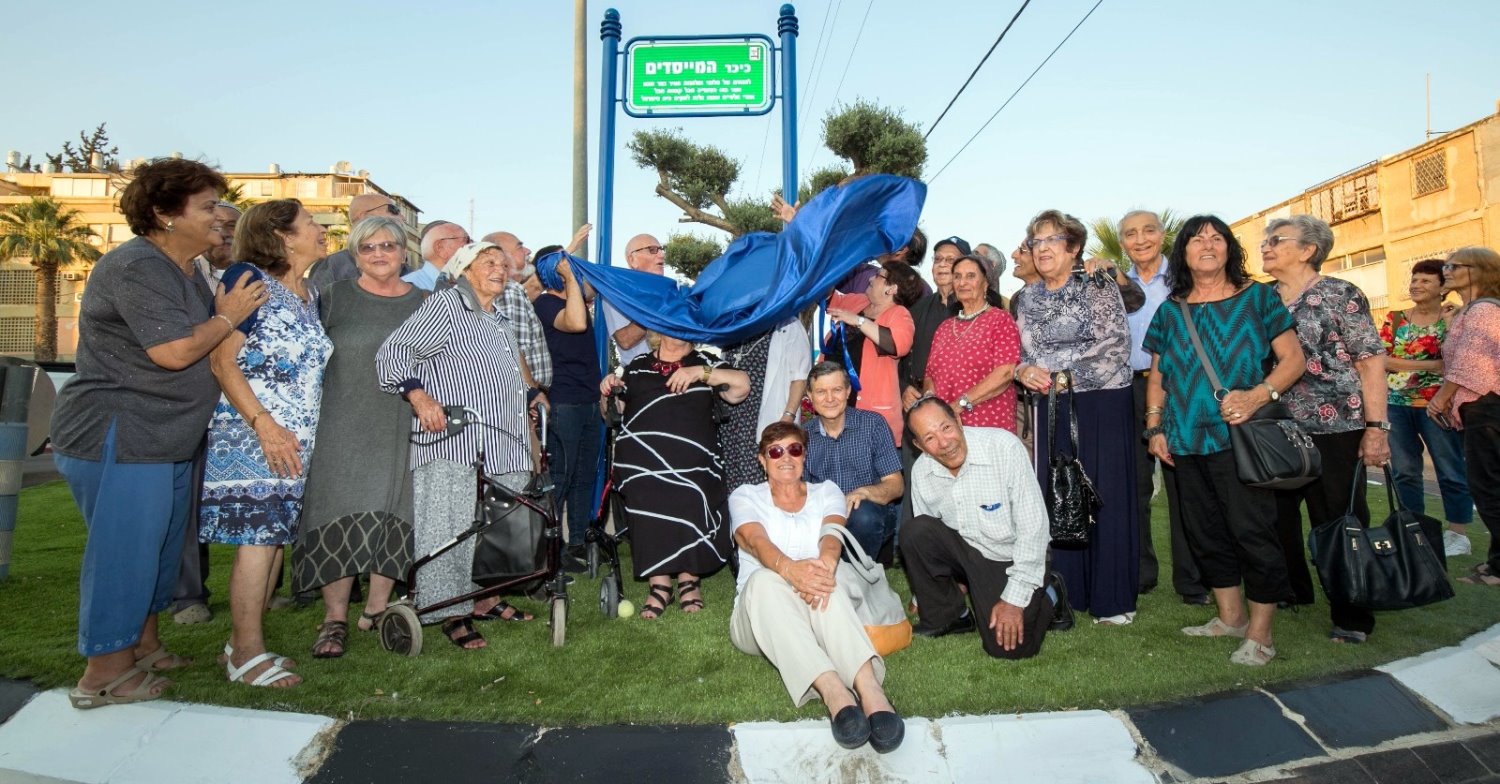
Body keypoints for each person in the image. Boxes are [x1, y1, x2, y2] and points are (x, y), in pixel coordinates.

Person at [52, 158, 263, 708]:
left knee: (159, 552)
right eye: (209, 207)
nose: (221, 217)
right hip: (122, 436)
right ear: (165, 213)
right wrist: (228, 316)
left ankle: (143, 648)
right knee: (125, 553)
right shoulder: (136, 266)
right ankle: (104, 674)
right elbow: (173, 352)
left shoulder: (186, 269)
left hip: (166, 438)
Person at [1144, 214, 1305, 666]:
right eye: (1197, 240)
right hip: (1185, 439)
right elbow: (1157, 377)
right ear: (1183, 254)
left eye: (1217, 238)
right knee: (1205, 531)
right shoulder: (1171, 311)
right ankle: (1230, 618)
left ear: (1230, 249)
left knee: (1252, 531)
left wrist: (1257, 396)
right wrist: (1155, 427)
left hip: (1240, 437)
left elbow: (1293, 360)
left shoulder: (1259, 298)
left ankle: (1261, 634)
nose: (1208, 245)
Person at [376, 242, 548, 650]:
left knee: (494, 528)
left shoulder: (499, 318)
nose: (500, 269)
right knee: (448, 526)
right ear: (463, 269)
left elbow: (505, 374)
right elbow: (394, 351)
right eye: (488, 262)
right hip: (455, 438)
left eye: (503, 264)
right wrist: (419, 396)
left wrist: (529, 397)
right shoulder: (448, 305)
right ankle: (449, 611)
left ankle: (483, 597)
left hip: (503, 442)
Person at [200, 199, 333, 688]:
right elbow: (222, 361)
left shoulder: (309, 292)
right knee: (257, 541)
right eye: (312, 224)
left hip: (296, 440)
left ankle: (242, 642)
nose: (322, 230)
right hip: (255, 433)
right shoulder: (247, 279)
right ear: (282, 236)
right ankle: (247, 655)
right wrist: (264, 424)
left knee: (274, 540)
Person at [728, 422, 905, 753]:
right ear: (762, 460)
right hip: (759, 618)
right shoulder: (745, 496)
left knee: (827, 578)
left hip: (816, 603)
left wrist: (822, 566)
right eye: (775, 451)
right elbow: (754, 541)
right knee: (764, 579)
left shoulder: (826, 491)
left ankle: (869, 689)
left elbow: (831, 537)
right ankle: (833, 690)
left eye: (794, 449)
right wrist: (790, 570)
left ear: (804, 456)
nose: (786, 457)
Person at [294, 216, 426, 658]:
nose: (379, 254)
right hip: (342, 422)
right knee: (338, 508)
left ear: (404, 252)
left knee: (395, 507)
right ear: (355, 255)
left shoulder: (426, 303)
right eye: (367, 247)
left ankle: (377, 608)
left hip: (403, 422)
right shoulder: (332, 298)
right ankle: (334, 619)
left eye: (388, 245)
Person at [1261, 215, 1389, 644]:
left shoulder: (1339, 293)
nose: (1266, 247)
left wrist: (1376, 428)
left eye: (1276, 240)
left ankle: (1352, 614)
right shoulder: (1262, 298)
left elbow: (1370, 362)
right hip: (1276, 428)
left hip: (1337, 426)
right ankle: (1291, 590)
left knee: (1338, 519)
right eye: (1266, 241)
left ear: (1308, 249)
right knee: (1276, 518)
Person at [1014, 209, 1138, 625]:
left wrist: (1061, 377)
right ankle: (1068, 592)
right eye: (1036, 241)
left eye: (1052, 240)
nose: (1042, 248)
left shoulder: (1097, 284)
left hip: (1102, 401)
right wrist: (1024, 371)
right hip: (1050, 404)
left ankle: (1113, 599)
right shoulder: (1027, 298)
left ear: (1074, 248)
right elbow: (1026, 353)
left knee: (1105, 493)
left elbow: (1115, 346)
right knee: (1060, 494)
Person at [903, 397, 1068, 657]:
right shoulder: (922, 471)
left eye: (946, 428)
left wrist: (1014, 599)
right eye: (930, 438)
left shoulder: (1003, 447)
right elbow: (929, 541)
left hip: (1011, 555)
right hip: (968, 551)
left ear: (958, 420)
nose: (944, 443)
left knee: (1007, 648)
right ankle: (951, 617)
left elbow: (1034, 530)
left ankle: (1051, 592)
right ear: (919, 446)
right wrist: (926, 594)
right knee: (915, 531)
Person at [601, 332, 749, 618]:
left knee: (690, 487)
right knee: (645, 486)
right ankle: (659, 585)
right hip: (642, 460)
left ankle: (688, 580)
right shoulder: (637, 366)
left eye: (683, 326)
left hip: (695, 459)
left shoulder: (704, 361)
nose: (676, 331)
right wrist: (607, 389)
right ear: (657, 330)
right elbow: (614, 411)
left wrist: (700, 373)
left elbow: (742, 386)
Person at [1118, 210, 1207, 604]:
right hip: (1127, 389)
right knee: (1134, 486)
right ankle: (1141, 572)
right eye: (1130, 234)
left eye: (1148, 230)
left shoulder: (1185, 278)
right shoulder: (1114, 284)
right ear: (1122, 242)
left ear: (1163, 234)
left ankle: (1193, 580)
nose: (1140, 240)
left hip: (1178, 388)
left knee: (1183, 484)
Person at [173, 198, 243, 625]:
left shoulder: (253, 278)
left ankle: (263, 589)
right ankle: (188, 594)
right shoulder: (185, 274)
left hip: (243, 408)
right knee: (187, 503)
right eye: (218, 224)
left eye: (233, 225)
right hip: (196, 405)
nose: (225, 233)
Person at [1381, 259, 1474, 556]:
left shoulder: (1454, 318)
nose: (1416, 286)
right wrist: (1433, 365)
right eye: (1414, 280)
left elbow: (1458, 360)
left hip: (1438, 405)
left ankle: (1458, 535)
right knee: (1405, 472)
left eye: (1425, 281)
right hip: (1396, 405)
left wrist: (1447, 329)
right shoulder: (1396, 319)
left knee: (1450, 470)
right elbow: (1382, 360)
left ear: (1442, 288)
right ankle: (1414, 530)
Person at [1429, 247, 1500, 587]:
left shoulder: (1483, 309)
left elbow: (1469, 363)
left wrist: (1441, 398)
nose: (1447, 270)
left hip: (1487, 406)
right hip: (1482, 405)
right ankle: (1496, 562)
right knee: (1489, 485)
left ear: (1479, 270)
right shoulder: (1471, 310)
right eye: (1446, 265)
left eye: (1454, 265)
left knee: (1487, 487)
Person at [533, 245, 605, 570]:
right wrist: (568, 277)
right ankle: (551, 547)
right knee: (561, 477)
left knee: (584, 476)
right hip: (563, 402)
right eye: (571, 269)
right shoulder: (545, 304)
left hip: (588, 401)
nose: (579, 275)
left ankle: (577, 541)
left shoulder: (575, 299)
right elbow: (575, 324)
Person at [802, 362, 904, 559]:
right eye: (821, 392)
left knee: (863, 514)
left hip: (869, 514)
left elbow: (896, 485)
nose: (830, 398)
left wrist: (864, 492)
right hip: (823, 516)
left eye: (837, 390)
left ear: (848, 391)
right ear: (810, 395)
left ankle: (859, 573)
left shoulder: (873, 424)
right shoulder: (803, 436)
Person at [825, 262, 921, 445]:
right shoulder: (859, 302)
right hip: (834, 406)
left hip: (871, 419)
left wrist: (858, 321)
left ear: (891, 289)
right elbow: (828, 297)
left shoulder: (899, 314)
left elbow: (898, 345)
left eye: (878, 275)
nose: (870, 278)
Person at [924, 254, 1020, 431]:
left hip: (988, 424)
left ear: (986, 283)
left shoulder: (1000, 320)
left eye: (970, 276)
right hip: (946, 427)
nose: (962, 282)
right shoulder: (944, 327)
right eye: (957, 276)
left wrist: (959, 404)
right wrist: (931, 401)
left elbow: (1005, 372)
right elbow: (929, 374)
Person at [308, 193, 403, 291]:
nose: (401, 217)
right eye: (393, 210)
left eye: (388, 246)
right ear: (364, 216)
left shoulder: (404, 266)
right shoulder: (333, 266)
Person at [602, 233, 666, 367]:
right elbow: (625, 340)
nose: (661, 255)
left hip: (678, 372)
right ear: (632, 260)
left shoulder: (672, 289)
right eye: (652, 250)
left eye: (661, 249)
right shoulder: (616, 293)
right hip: (640, 373)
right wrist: (658, 307)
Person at [403, 220, 469, 291]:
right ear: (440, 248)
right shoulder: (406, 289)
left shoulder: (464, 285)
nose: (471, 246)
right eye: (466, 240)